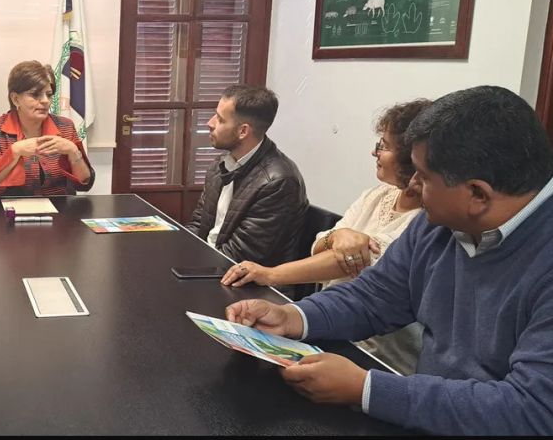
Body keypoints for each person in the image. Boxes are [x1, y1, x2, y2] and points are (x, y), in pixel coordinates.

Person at [225, 85, 553, 435]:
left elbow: (533, 409)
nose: (411, 186)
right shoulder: (440, 226)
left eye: (424, 177)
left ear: (477, 194)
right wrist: (293, 317)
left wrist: (368, 390)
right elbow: (374, 297)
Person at [220, 99, 432, 375]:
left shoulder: (429, 223)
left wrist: (270, 275)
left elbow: (352, 265)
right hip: (328, 326)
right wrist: (339, 236)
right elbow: (319, 247)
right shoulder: (376, 195)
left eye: (384, 146)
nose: (374, 152)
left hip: (377, 356)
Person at [186, 84, 308, 267]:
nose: (209, 123)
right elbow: (199, 224)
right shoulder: (221, 164)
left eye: (220, 119)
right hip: (211, 265)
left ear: (243, 131)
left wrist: (189, 264)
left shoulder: (278, 182)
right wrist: (176, 249)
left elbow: (240, 256)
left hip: (249, 283)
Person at [0, 60, 94, 196]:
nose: (45, 101)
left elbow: (84, 184)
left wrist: (73, 151)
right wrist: (15, 152)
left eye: (49, 95)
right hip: (11, 210)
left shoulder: (65, 126)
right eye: (35, 94)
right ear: (15, 99)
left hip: (59, 211)